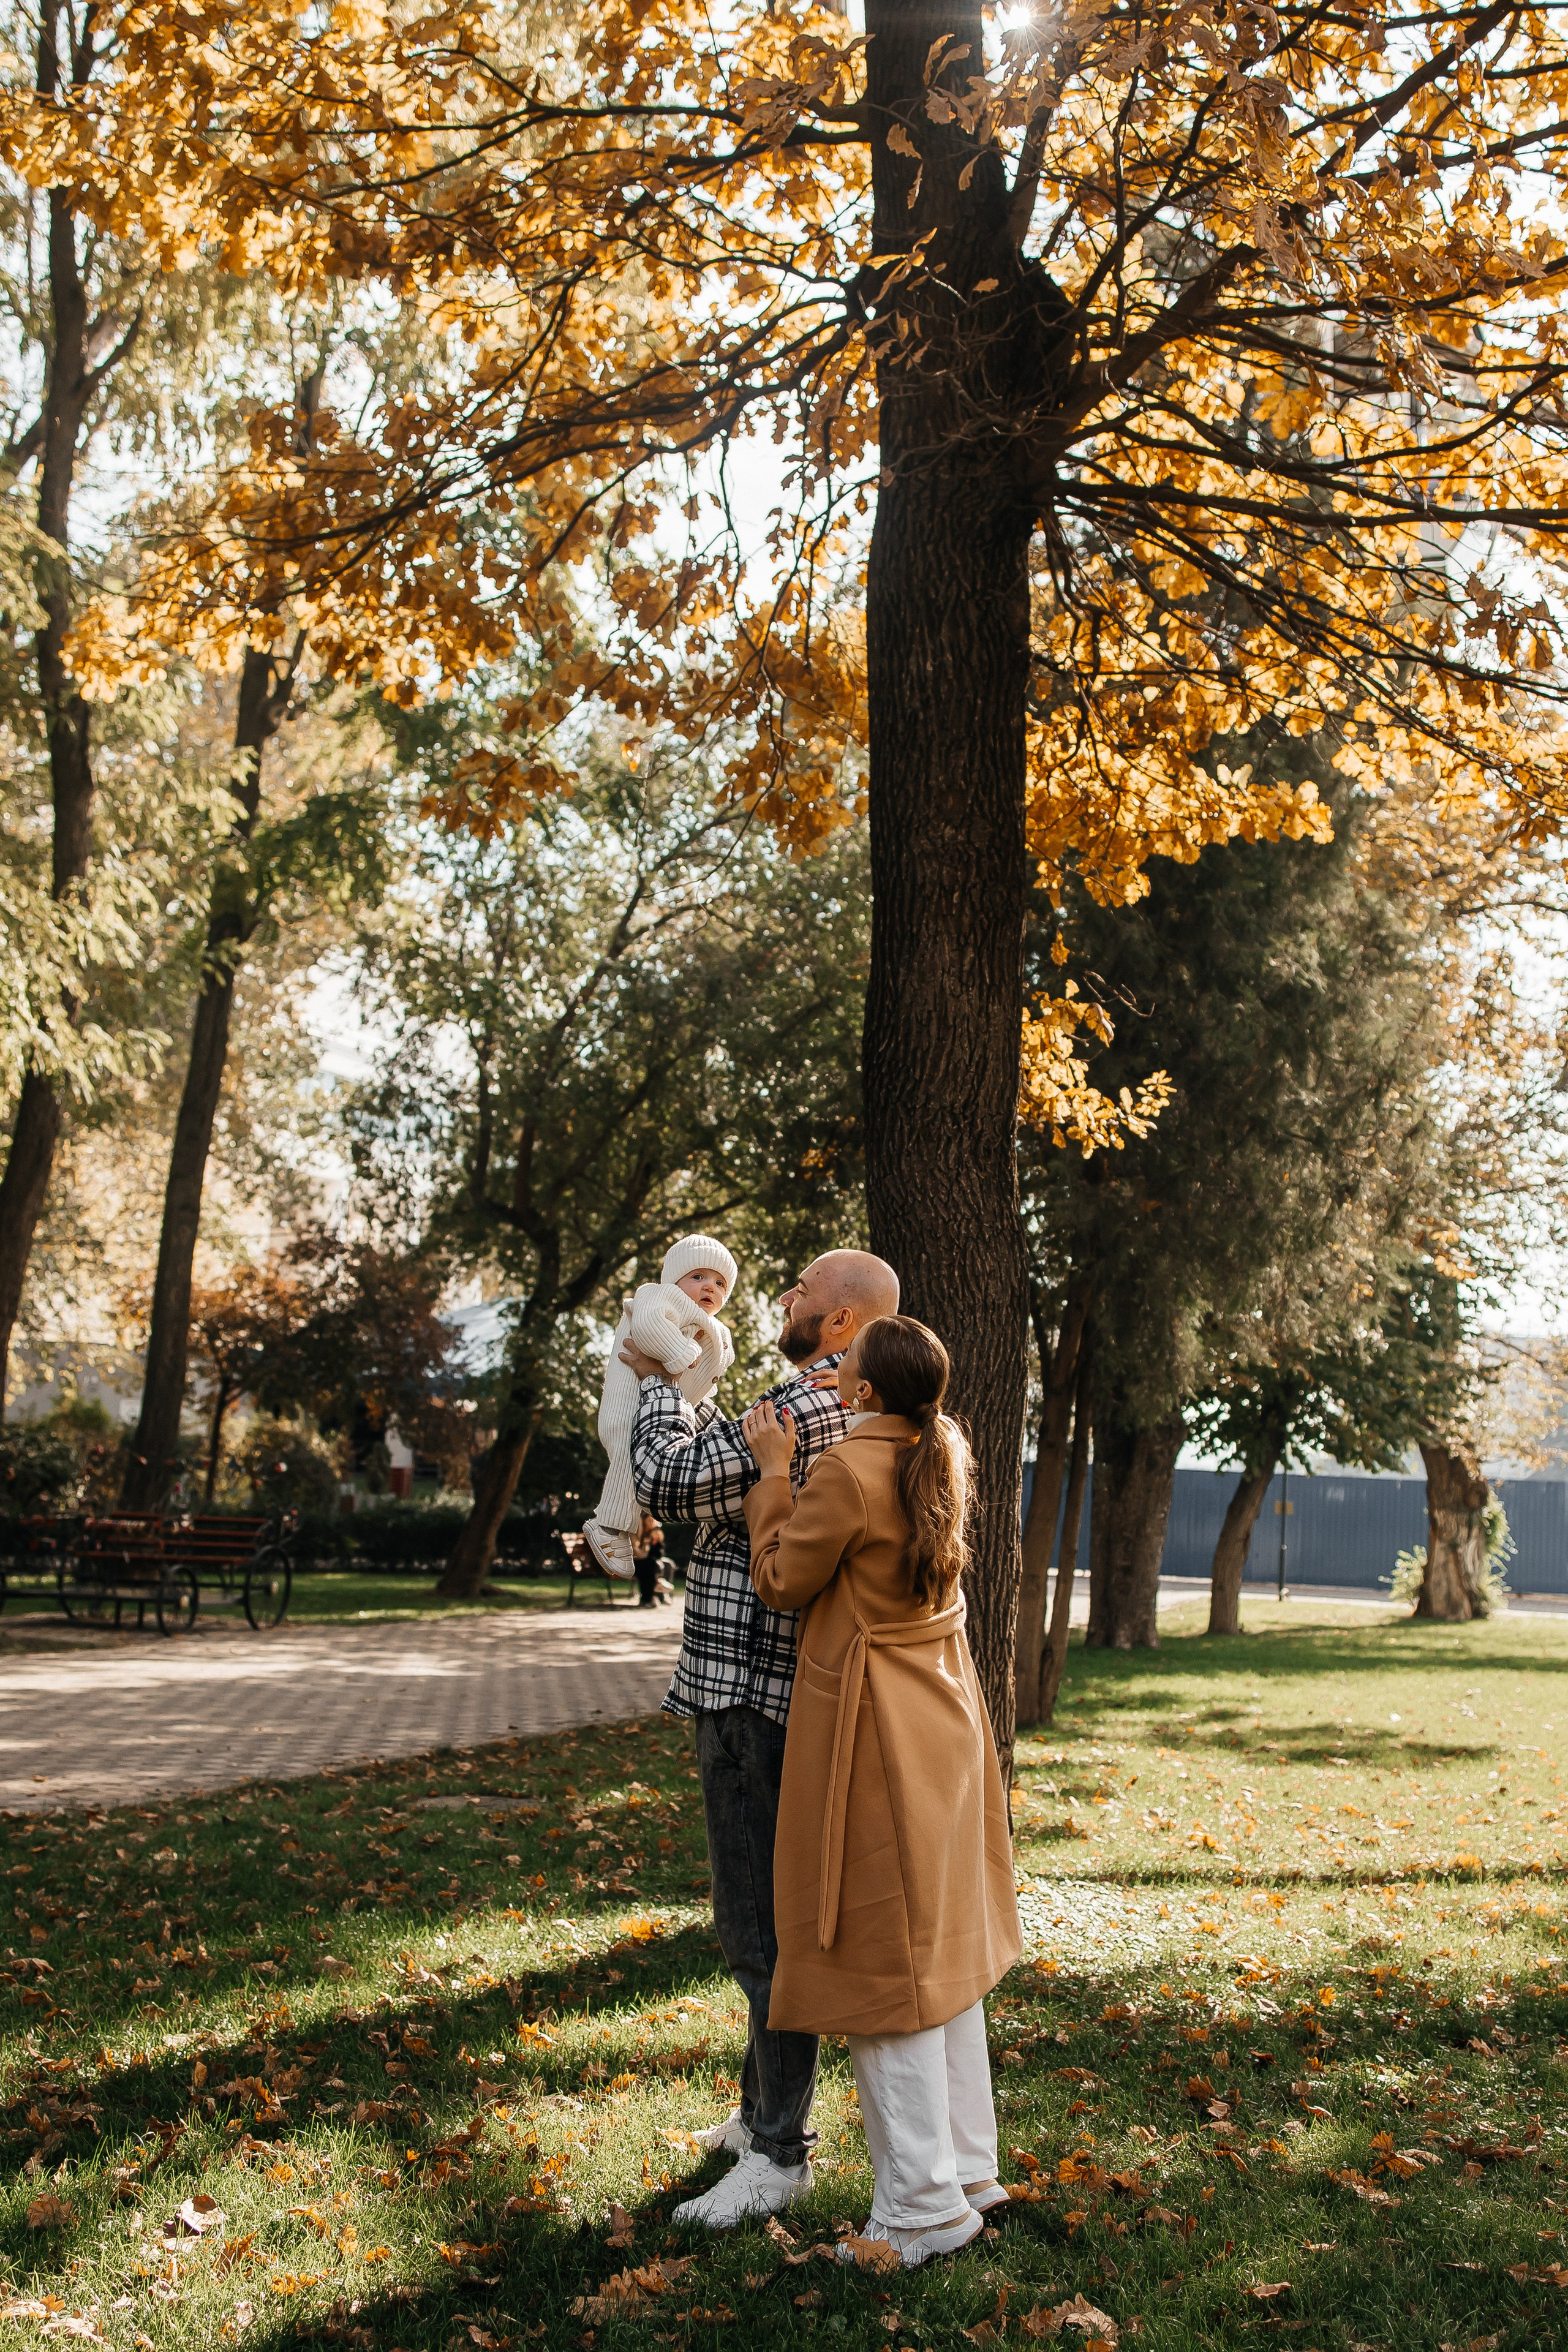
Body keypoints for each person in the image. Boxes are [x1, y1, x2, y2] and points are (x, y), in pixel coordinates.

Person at [627, 1248, 902, 2228]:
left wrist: (662, 1369)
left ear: (839, 1325)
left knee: (762, 1939)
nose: (782, 1300)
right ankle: (759, 2119)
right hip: (753, 1691)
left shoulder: (807, 1408)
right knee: (762, 1929)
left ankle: (780, 2153)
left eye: (800, 1294)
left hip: (752, 1695)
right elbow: (712, 1487)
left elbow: (666, 1475)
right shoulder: (818, 1403)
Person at [739, 1314, 1021, 2269]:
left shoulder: (848, 1471)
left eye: (841, 1367)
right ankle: (971, 2170)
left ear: (862, 1392)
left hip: (876, 1731)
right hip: (944, 1713)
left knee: (880, 1961)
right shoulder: (942, 1446)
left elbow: (781, 1578)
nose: (829, 1374)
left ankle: (922, 2207)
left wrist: (775, 1470)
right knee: (939, 1952)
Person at [583, 1236, 737, 1577]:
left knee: (644, 1469)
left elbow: (703, 1381)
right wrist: (681, 1354)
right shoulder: (659, 1295)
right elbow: (649, 1324)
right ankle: (608, 1527)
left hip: (665, 1410)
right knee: (628, 1454)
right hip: (630, 1401)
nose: (709, 1286)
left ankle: (623, 1529)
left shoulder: (715, 1328)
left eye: (720, 1283)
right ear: (675, 1279)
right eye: (698, 1277)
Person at [631, 1511, 674, 1607]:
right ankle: (653, 1594)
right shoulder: (638, 1534)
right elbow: (641, 1554)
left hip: (653, 1560)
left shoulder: (654, 1534)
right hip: (640, 1561)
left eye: (652, 1521)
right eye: (649, 1521)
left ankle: (663, 1593)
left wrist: (657, 1541)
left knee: (669, 1564)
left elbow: (659, 1554)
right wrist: (647, 1542)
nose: (651, 1524)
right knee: (654, 1565)